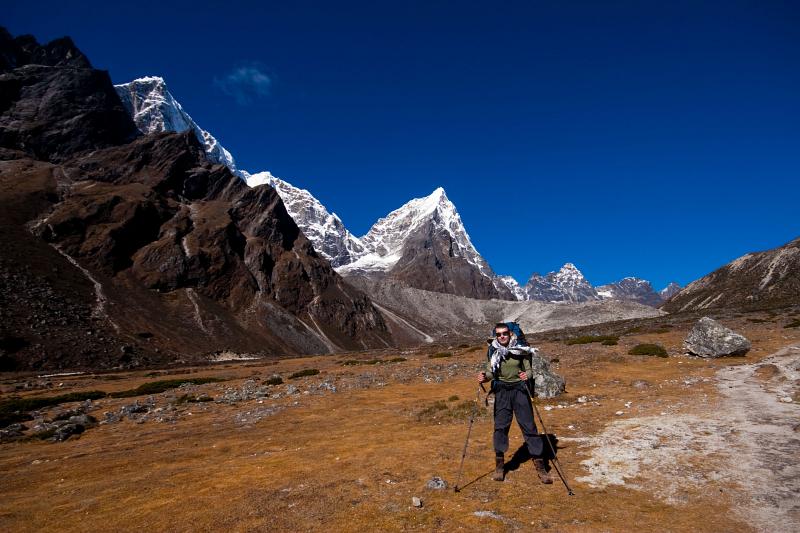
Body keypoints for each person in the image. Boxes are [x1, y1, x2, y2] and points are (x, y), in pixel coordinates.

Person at [477, 322, 552, 484]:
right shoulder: (493, 351)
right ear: (495, 336)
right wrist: (484, 377)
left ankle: (540, 465)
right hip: (502, 391)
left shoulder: (520, 349)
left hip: (520, 390)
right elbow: (491, 372)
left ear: (510, 334)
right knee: (500, 427)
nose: (502, 336)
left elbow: (529, 370)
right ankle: (500, 465)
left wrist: (527, 375)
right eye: (498, 334)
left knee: (529, 426)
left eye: (505, 333)